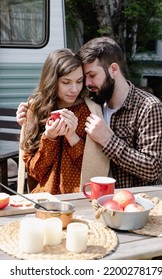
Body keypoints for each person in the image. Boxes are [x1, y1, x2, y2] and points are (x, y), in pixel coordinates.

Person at [17, 37, 162, 189]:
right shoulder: (94, 102)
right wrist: (29, 118)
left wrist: (108, 140)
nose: (86, 84)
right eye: (84, 77)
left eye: (92, 75)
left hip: (140, 198)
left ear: (113, 69)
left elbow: (152, 169)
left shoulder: (148, 106)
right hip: (100, 198)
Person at [19, 48, 109, 194]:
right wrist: (49, 138)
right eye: (66, 82)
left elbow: (94, 170)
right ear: (52, 81)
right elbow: (34, 172)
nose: (74, 89)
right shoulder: (36, 109)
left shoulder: (89, 110)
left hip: (79, 197)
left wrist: (72, 137)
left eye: (79, 81)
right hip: (44, 199)